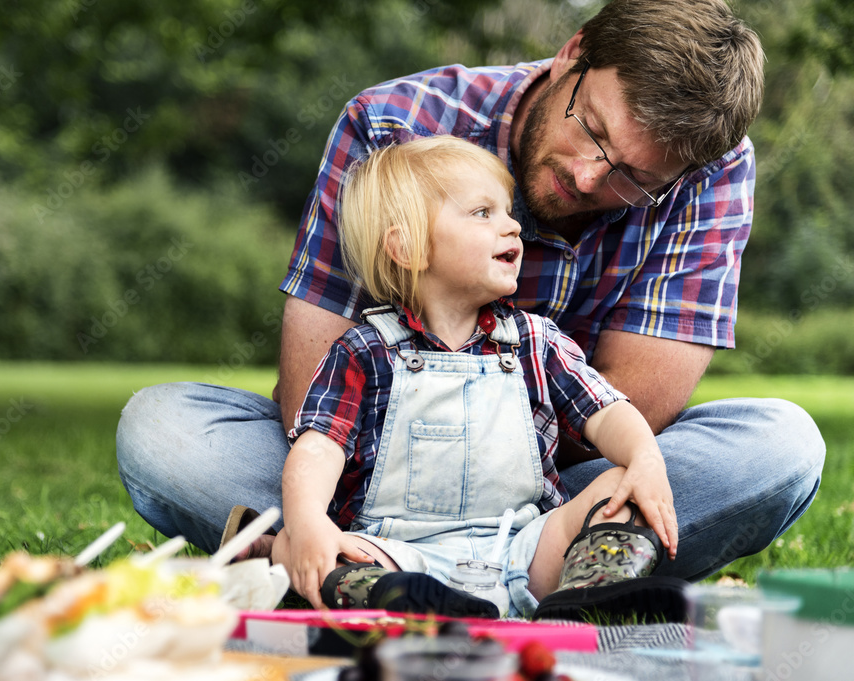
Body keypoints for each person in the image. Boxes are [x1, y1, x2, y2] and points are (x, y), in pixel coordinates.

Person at [116, 0, 824, 587]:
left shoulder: (706, 168)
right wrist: (336, 502)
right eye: (592, 128)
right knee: (166, 430)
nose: (586, 176)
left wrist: (515, 476)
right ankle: (359, 552)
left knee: (779, 446)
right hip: (362, 478)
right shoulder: (393, 124)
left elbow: (636, 403)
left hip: (550, 493)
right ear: (571, 54)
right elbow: (312, 396)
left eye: (633, 179)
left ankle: (336, 567)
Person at [271, 134, 682, 619]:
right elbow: (318, 447)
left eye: (509, 212)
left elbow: (606, 410)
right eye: (483, 213)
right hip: (400, 554)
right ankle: (409, 605)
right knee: (288, 545)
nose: (512, 227)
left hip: (525, 550)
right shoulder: (365, 352)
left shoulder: (535, 341)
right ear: (409, 247)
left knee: (621, 487)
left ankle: (583, 597)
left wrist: (645, 459)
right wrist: (308, 522)